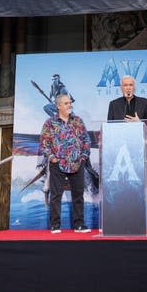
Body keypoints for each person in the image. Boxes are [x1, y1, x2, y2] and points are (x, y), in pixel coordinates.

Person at [106, 75, 147, 235]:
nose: (128, 88)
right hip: (122, 157)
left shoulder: (145, 103)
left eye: (130, 85)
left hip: (143, 155)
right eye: (125, 85)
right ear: (121, 87)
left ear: (134, 87)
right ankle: (123, 224)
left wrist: (140, 122)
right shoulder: (113, 105)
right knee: (124, 190)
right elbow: (109, 129)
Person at [38, 92, 91, 234]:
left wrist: (83, 157)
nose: (70, 105)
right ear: (58, 106)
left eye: (70, 103)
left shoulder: (78, 121)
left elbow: (86, 140)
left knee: (78, 195)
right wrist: (52, 158)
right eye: (66, 103)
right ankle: (55, 225)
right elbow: (44, 143)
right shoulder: (50, 123)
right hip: (58, 164)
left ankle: (79, 225)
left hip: (77, 163)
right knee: (56, 195)